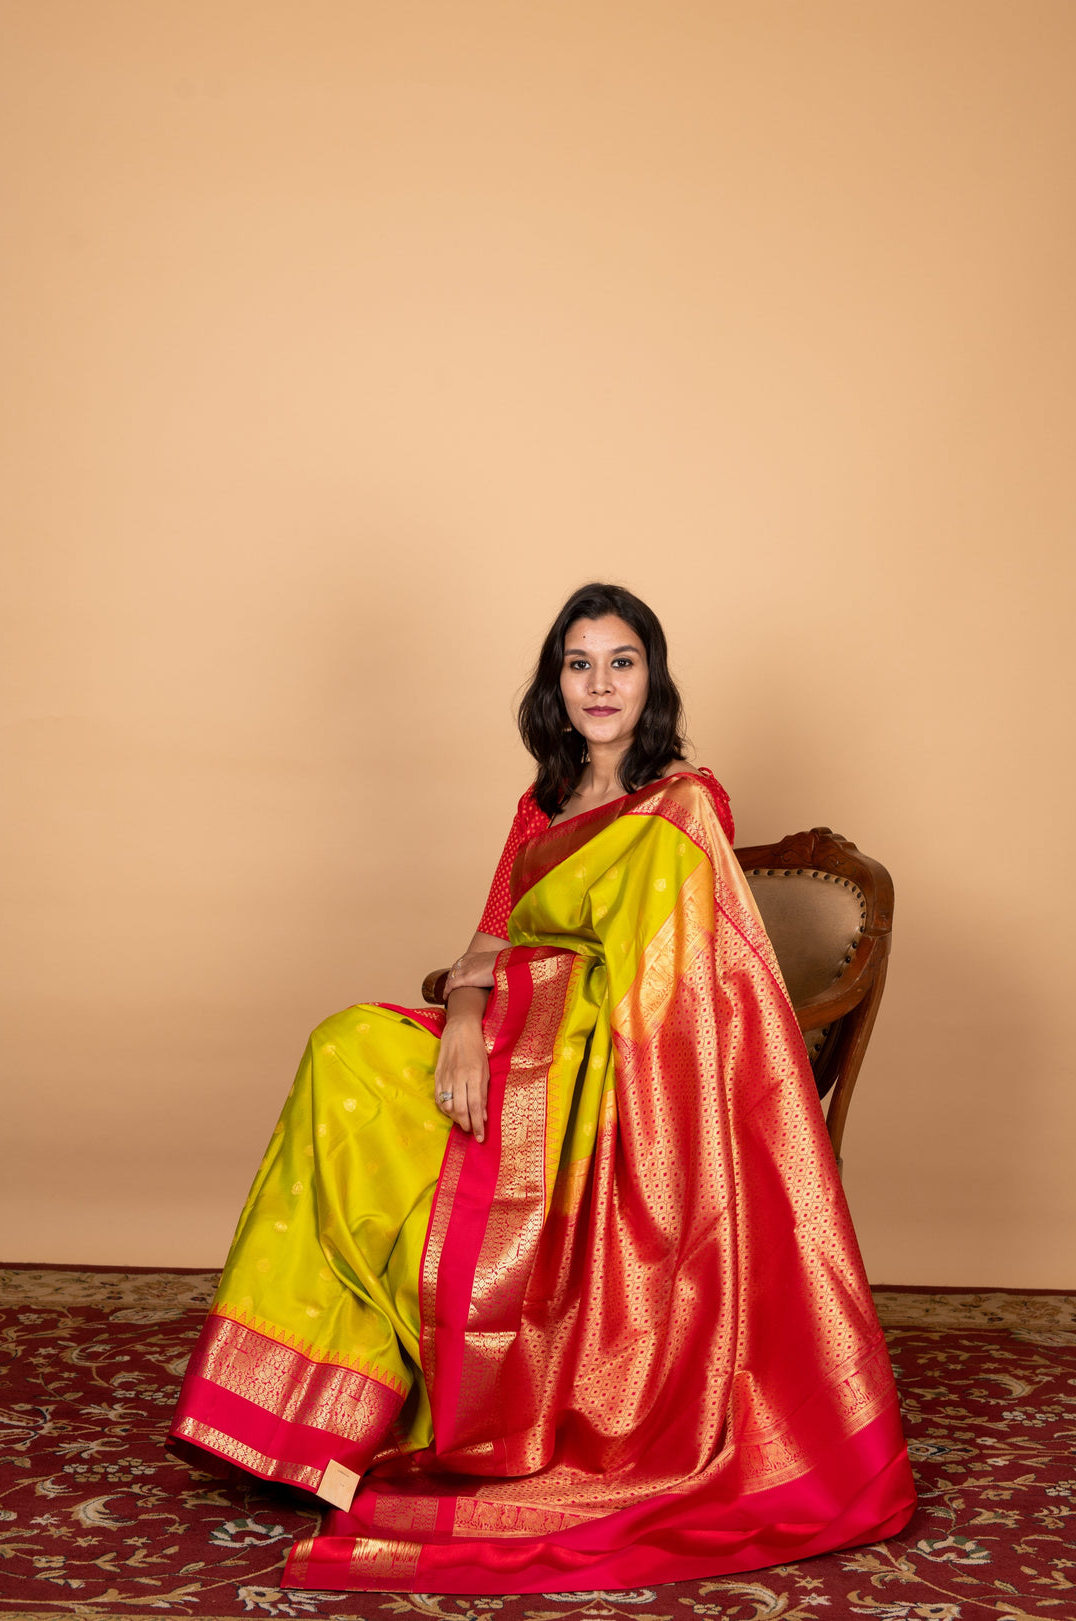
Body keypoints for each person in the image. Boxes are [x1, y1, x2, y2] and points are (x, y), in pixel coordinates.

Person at [169, 582, 916, 1594]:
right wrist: (469, 1025)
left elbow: (679, 991)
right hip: (520, 1036)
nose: (599, 683)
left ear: (651, 680)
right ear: (554, 684)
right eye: (579, 663)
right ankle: (309, 1409)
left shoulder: (685, 805)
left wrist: (534, 1020)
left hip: (613, 1076)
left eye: (621, 662)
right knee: (345, 1047)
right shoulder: (542, 801)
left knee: (412, 1082)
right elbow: (487, 940)